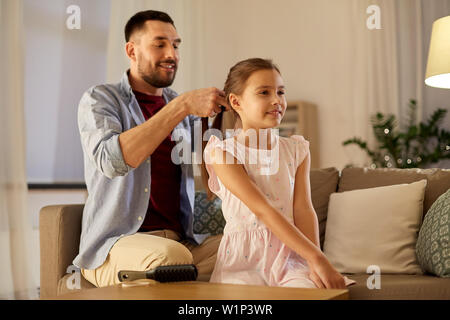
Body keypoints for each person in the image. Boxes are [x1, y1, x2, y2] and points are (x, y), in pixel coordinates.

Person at [73, 10, 230, 287]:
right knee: (170, 259)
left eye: (176, 45)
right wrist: (179, 107)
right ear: (131, 50)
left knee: (249, 249)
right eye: (160, 44)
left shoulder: (184, 109)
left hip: (183, 244)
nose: (172, 54)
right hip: (116, 246)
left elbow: (219, 158)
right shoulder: (100, 99)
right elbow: (112, 161)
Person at [203, 58, 356, 289]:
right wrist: (317, 258)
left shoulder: (296, 150)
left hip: (291, 258)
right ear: (236, 102)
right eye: (264, 92)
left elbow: (303, 209)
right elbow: (262, 210)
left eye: (281, 92)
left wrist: (314, 260)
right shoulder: (223, 153)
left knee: (311, 292)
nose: (277, 100)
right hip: (244, 262)